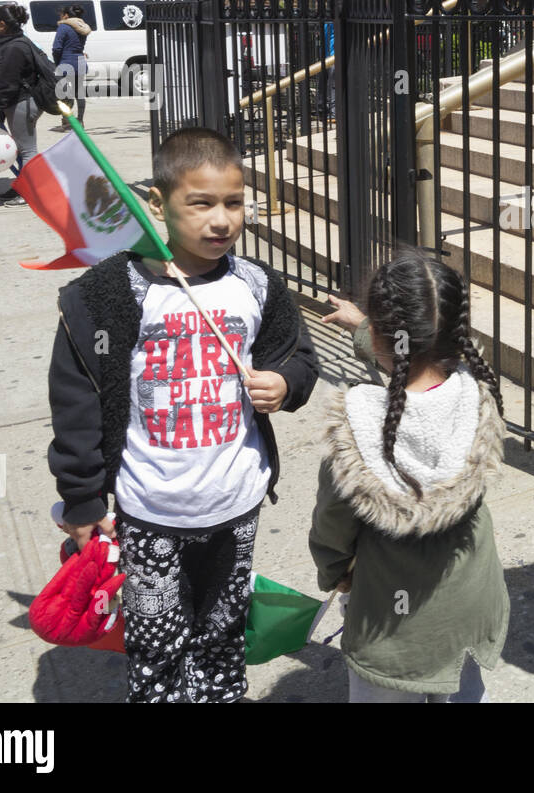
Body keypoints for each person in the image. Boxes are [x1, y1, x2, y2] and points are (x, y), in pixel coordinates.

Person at [46, 127, 320, 702]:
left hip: (235, 502)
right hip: (151, 510)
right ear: (157, 203)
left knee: (222, 633)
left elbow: (296, 354)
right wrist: (81, 498)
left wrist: (286, 383)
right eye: (201, 203)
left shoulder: (257, 285)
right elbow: (76, 403)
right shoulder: (108, 294)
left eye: (234, 202)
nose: (221, 220)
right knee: (156, 642)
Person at [310, 251, 510, 703]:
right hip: (468, 609)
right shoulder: (478, 397)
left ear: (382, 334)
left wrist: (335, 573)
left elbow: (332, 530)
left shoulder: (356, 432)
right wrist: (363, 326)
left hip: (390, 629)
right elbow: (417, 359)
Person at [0, 4, 40, 205]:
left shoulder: (14, 47)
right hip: (19, 103)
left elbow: (9, 84)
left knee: (27, 150)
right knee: (20, 148)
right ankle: (21, 186)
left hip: (22, 103)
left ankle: (28, 193)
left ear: (2, 25)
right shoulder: (12, 43)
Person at [50, 4, 91, 131]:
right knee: (79, 93)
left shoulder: (64, 27)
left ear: (66, 15)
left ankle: (67, 121)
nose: (61, 16)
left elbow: (57, 48)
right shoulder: (82, 27)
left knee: (63, 94)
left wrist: (57, 63)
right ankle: (80, 121)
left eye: (62, 14)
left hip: (66, 62)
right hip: (80, 61)